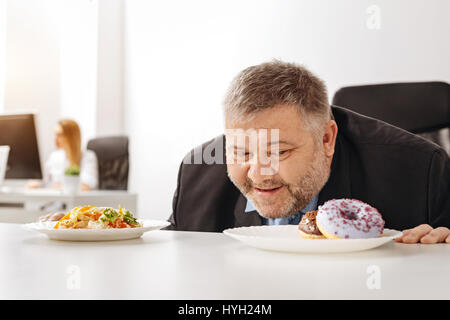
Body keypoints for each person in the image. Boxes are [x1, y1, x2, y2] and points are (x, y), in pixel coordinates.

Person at [166, 60, 450, 245]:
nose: (258, 173)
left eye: (278, 152)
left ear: (326, 139)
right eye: (241, 153)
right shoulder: (196, 178)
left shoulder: (420, 172)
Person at [28, 119, 98, 191]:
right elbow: (42, 180)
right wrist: (35, 183)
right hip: (55, 199)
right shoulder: (54, 156)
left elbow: (86, 186)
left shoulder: (88, 156)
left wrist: (59, 187)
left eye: (60, 135)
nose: (56, 139)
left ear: (72, 136)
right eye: (55, 134)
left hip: (77, 201)